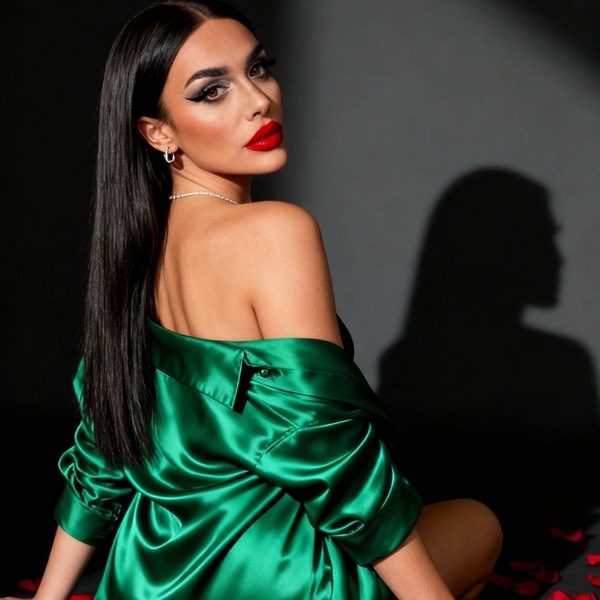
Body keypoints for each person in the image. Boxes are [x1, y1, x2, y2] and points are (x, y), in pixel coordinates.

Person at [1, 1, 502, 598]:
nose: (258, 100)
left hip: (155, 575)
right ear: (158, 131)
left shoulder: (131, 251)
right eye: (212, 91)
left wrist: (49, 597)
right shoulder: (275, 231)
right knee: (479, 524)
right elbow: (330, 451)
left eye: (258, 68)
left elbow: (103, 450)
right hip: (287, 574)